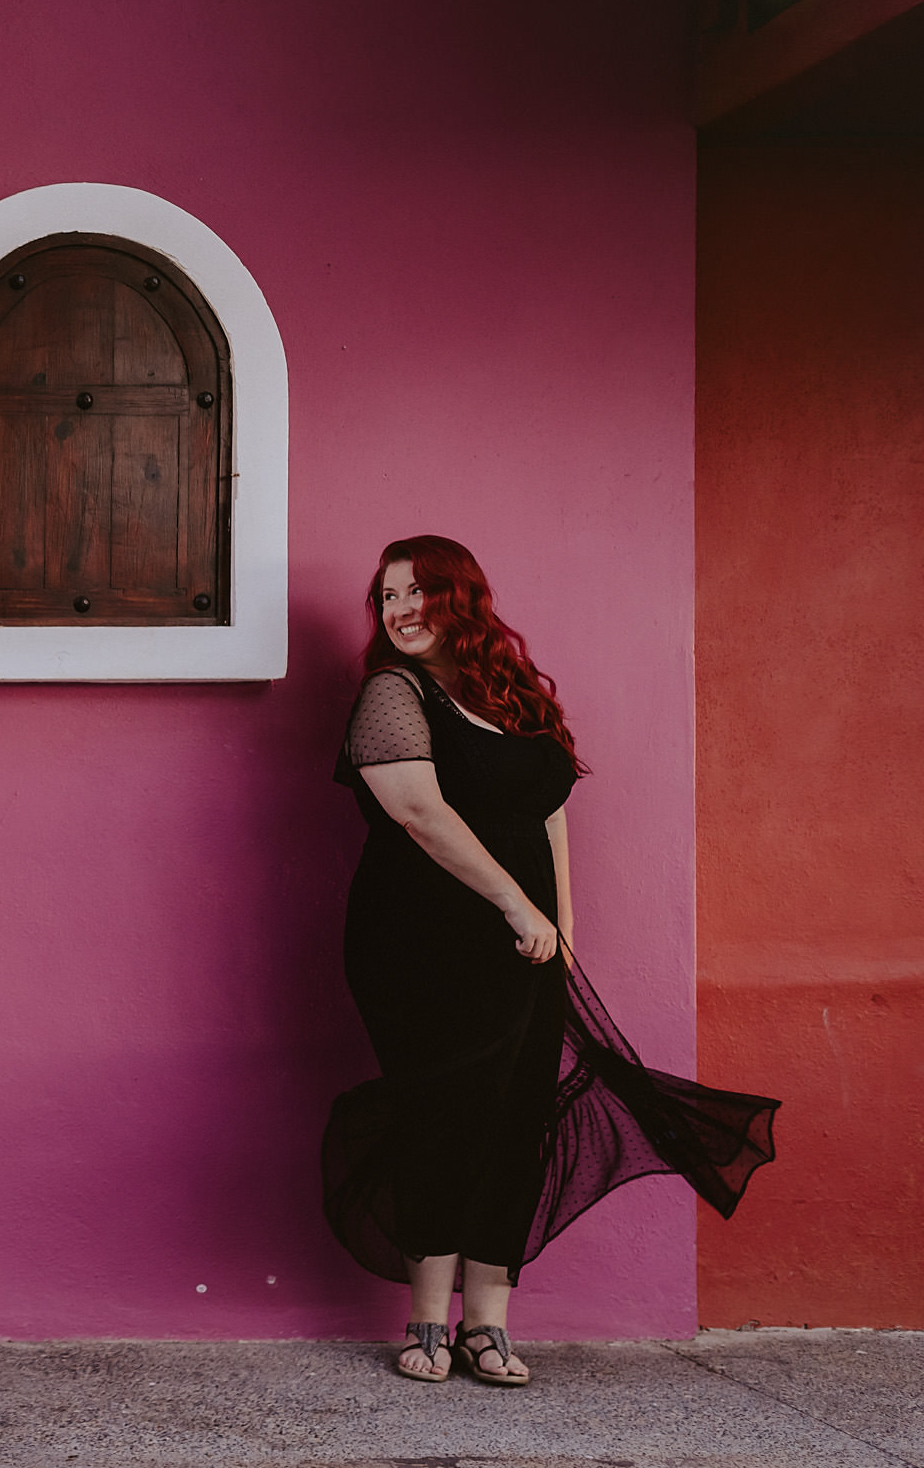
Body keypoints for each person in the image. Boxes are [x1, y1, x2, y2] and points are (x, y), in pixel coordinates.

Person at [321, 535, 776, 1387]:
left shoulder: (511, 693)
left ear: (462, 600)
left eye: (419, 592)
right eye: (388, 598)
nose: (402, 611)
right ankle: (427, 1318)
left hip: (524, 940)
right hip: (421, 943)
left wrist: (561, 924)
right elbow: (418, 813)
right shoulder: (392, 692)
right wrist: (516, 906)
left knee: (517, 1120)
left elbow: (548, 813)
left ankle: (486, 1326)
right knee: (444, 1113)